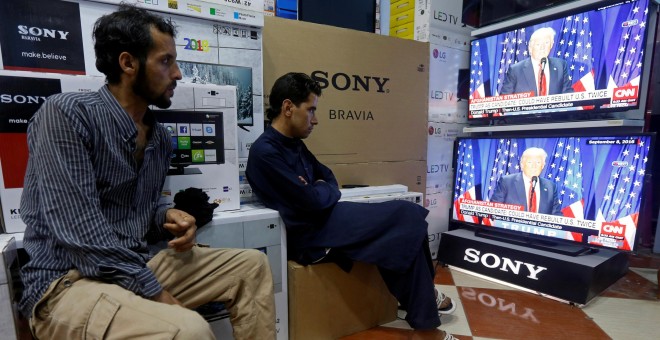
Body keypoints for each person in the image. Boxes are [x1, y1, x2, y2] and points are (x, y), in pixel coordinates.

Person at [18, 5, 275, 339]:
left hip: (132, 267)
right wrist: (157, 293)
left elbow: (137, 210)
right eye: (166, 61)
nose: (179, 74)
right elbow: (81, 232)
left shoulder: (158, 138)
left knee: (251, 266)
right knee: (189, 330)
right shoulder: (66, 116)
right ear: (128, 63)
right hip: (68, 283)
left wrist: (167, 215)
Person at [246, 72, 457, 338]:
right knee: (405, 215)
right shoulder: (265, 152)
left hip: (327, 218)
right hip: (312, 236)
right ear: (288, 107)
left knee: (409, 216)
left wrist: (317, 188)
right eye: (311, 110)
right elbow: (311, 199)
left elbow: (329, 180)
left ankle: (419, 303)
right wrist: (317, 190)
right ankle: (426, 324)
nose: (316, 119)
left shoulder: (295, 144)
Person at [500, 27, 574, 96]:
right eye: (538, 44)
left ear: (551, 45)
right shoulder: (515, 70)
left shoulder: (560, 65)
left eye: (546, 43)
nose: (542, 47)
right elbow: (505, 99)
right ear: (530, 48)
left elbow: (568, 94)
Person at [490, 147, 562, 216]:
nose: (534, 166)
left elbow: (556, 215)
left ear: (543, 166)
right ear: (522, 165)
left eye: (538, 162)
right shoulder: (506, 182)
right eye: (530, 162)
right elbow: (494, 210)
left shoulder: (550, 187)